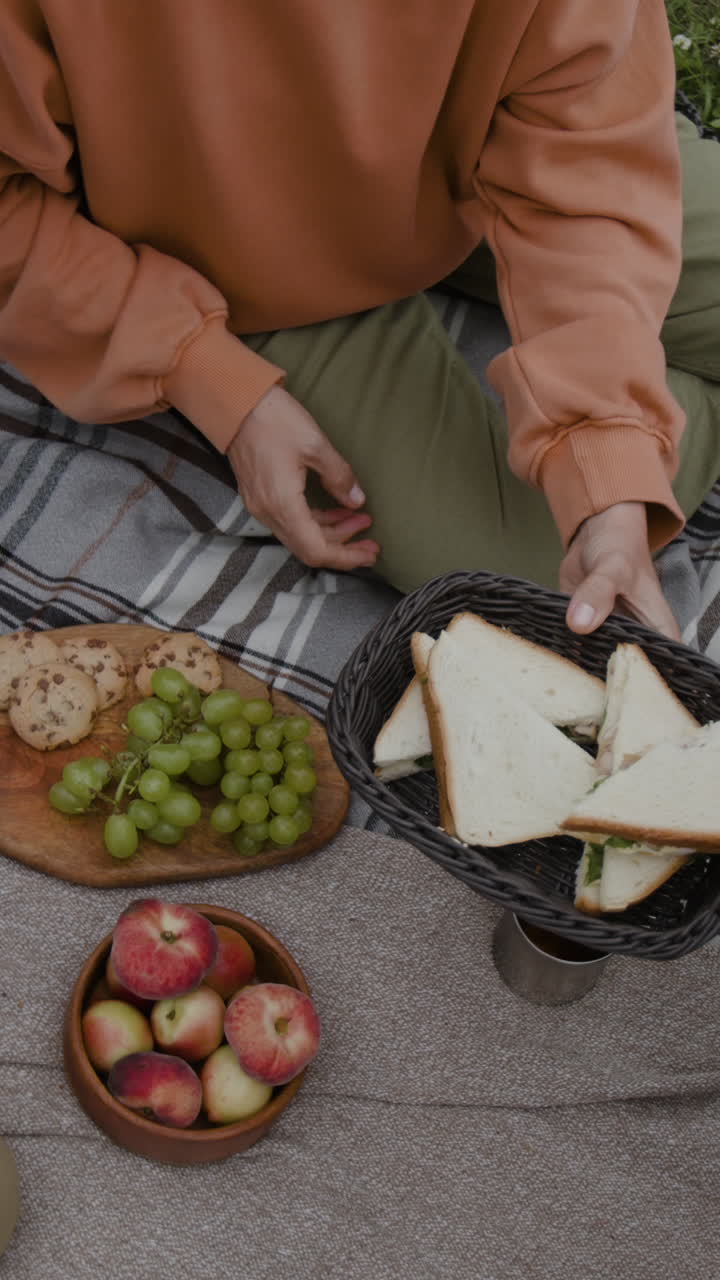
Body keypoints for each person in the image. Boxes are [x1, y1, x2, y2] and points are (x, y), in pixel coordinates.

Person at [0, 0, 719, 640]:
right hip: (229, 267)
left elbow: (586, 163)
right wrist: (204, 372)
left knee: (605, 504)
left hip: (495, 164)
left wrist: (608, 449)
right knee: (530, 568)